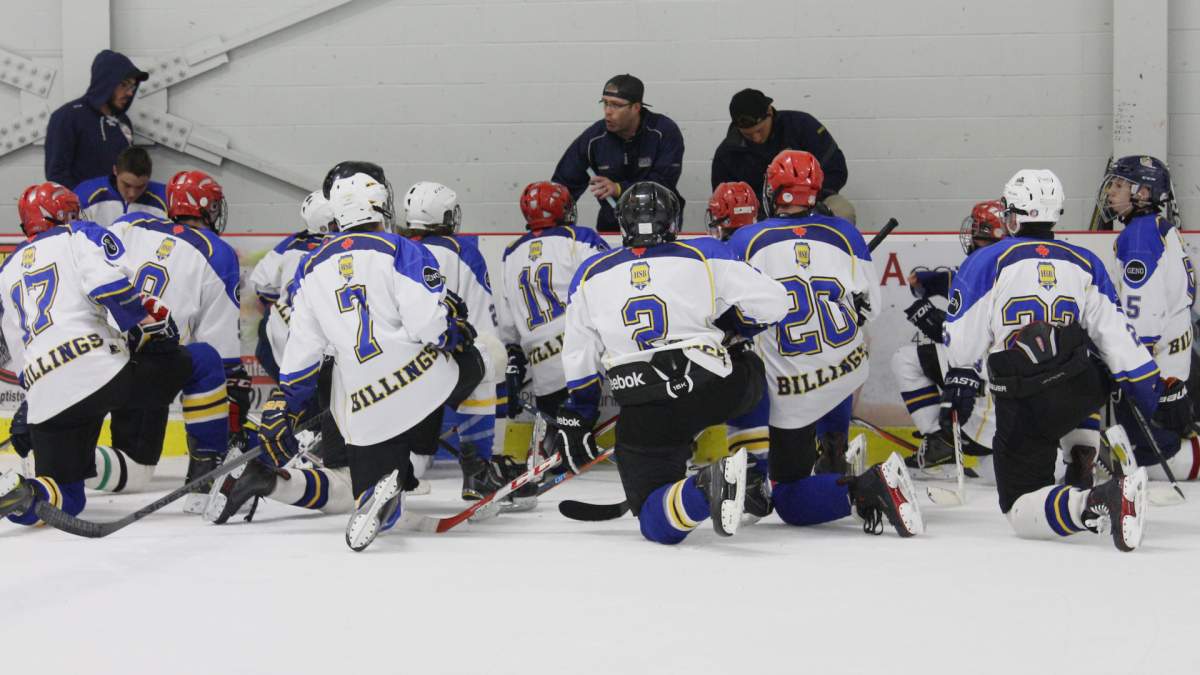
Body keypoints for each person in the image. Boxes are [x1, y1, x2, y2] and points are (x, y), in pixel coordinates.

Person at [940, 169, 1191, 551]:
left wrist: (958, 379)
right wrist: (1154, 393)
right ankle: (1081, 452)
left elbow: (960, 345)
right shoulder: (1085, 261)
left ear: (1012, 214)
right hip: (1079, 391)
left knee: (1021, 506)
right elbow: (1119, 342)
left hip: (1026, 402)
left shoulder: (988, 261)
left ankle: (1093, 500)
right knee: (1087, 360)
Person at [256, 161, 485, 552]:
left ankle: (382, 491)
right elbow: (428, 324)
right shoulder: (403, 250)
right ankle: (464, 465)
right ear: (381, 205)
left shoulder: (310, 267)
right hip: (421, 385)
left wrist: (285, 402)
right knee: (475, 360)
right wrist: (454, 332)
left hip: (363, 405)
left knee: (370, 480)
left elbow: (303, 350)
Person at [549, 181, 789, 544]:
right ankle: (757, 470)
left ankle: (701, 487)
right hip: (716, 387)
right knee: (748, 364)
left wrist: (578, 415)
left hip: (647, 406)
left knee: (655, 520)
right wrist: (733, 328)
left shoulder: (590, 273)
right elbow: (776, 302)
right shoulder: (706, 252)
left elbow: (579, 356)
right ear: (673, 221)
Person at [0, 182, 227, 527]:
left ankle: (23, 495)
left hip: (47, 398)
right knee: (203, 360)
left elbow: (16, 351)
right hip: (100, 372)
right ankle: (208, 476)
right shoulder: (79, 234)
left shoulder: (6, 272)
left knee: (68, 498)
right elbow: (111, 287)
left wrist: (32, 402)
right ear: (66, 214)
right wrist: (147, 325)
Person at [725, 150, 922, 537]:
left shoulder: (747, 238)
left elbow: (734, 314)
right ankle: (833, 446)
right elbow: (872, 307)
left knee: (790, 498)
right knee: (831, 366)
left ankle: (766, 474)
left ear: (772, 190)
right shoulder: (845, 233)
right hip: (847, 368)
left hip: (793, 390)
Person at [105, 170, 243, 513]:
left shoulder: (128, 225)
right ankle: (204, 476)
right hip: (149, 368)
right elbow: (221, 352)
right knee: (207, 360)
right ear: (206, 207)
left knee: (133, 468)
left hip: (95, 361)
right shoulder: (218, 252)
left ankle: (54, 456)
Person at [399, 181, 505, 500]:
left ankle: (409, 468)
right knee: (487, 356)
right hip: (443, 358)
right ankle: (477, 469)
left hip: (393, 367)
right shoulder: (462, 252)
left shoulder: (393, 249)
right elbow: (482, 325)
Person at [1102, 155, 1200, 481]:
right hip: (1173, 361)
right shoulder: (1159, 229)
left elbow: (1141, 320)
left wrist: (1127, 364)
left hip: (1154, 370)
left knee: (1158, 459)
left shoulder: (1140, 237)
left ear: (1142, 192)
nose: (1111, 193)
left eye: (1118, 185)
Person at [892, 200, 1007, 474]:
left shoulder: (987, 269)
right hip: (1012, 416)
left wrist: (939, 326)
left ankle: (941, 442)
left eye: (980, 232)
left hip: (982, 402)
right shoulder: (1014, 265)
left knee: (905, 361)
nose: (972, 237)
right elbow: (958, 283)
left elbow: (973, 338)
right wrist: (929, 282)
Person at [551, 75, 684, 232]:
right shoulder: (594, 138)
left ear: (636, 107)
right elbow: (562, 186)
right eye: (605, 103)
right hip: (612, 224)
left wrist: (619, 188)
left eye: (616, 105)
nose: (607, 112)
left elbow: (664, 183)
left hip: (659, 222)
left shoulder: (663, 131)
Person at [711, 88, 854, 224]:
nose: (756, 138)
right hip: (758, 218)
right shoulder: (727, 154)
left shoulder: (802, 126)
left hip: (813, 202)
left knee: (843, 212)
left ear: (770, 111)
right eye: (748, 134)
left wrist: (809, 201)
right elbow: (724, 201)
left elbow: (836, 167)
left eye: (760, 130)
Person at [249, 190, 337, 381]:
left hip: (279, 344)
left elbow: (262, 290)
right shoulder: (343, 246)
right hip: (323, 347)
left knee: (268, 320)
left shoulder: (290, 245)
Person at [45, 50, 149, 189]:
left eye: (132, 86)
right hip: (83, 208)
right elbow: (56, 175)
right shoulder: (67, 117)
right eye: (124, 85)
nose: (130, 92)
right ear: (105, 82)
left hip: (118, 208)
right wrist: (86, 202)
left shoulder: (123, 122)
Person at [74, 146, 168, 226]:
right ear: (115, 170)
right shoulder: (85, 195)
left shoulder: (167, 199)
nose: (132, 194)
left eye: (140, 187)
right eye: (127, 185)